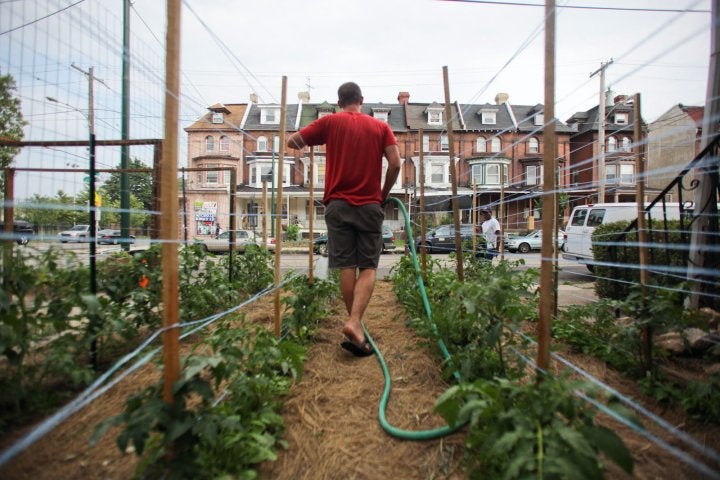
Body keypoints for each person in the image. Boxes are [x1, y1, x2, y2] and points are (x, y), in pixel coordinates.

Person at [287, 81, 401, 357]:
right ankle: (354, 323)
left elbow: (293, 142)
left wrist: (310, 143)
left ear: (339, 102)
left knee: (346, 266)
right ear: (361, 99)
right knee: (369, 268)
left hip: (337, 205)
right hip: (369, 205)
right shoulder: (380, 127)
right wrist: (382, 194)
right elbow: (396, 163)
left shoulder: (329, 123)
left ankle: (355, 324)